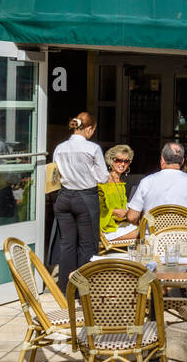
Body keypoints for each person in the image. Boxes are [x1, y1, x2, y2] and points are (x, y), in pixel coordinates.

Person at [53, 111, 109, 290]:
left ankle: (65, 287)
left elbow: (55, 173)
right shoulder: (92, 148)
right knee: (88, 244)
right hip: (85, 197)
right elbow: (103, 177)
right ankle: (83, 289)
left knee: (67, 244)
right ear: (89, 129)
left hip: (63, 197)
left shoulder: (60, 148)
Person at [125, 142, 187, 224]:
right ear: (182, 161)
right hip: (184, 235)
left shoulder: (147, 182)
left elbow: (132, 217)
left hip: (154, 236)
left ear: (162, 160)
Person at [98, 144, 138, 244]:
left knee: (149, 226)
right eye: (118, 160)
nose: (122, 164)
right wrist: (114, 212)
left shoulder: (120, 182)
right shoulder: (103, 181)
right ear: (111, 160)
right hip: (107, 228)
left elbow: (123, 207)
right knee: (146, 232)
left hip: (120, 224)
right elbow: (96, 208)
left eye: (126, 161)